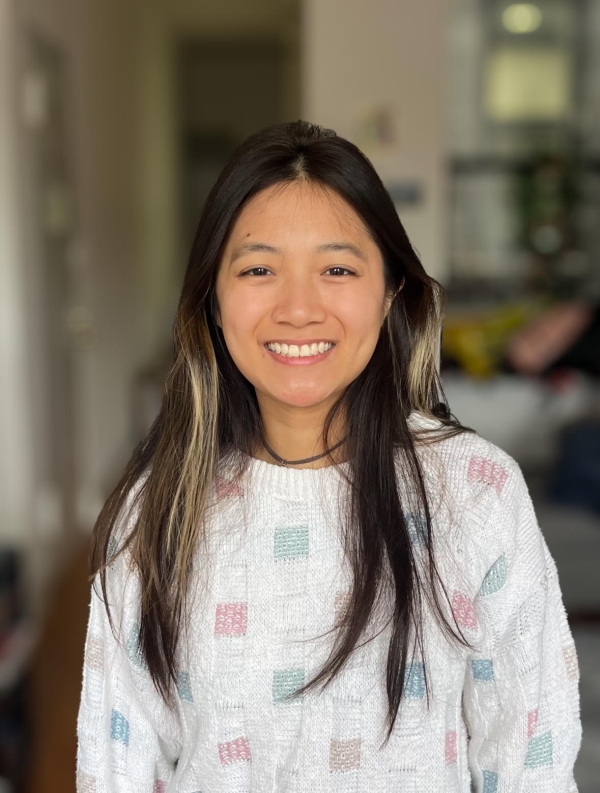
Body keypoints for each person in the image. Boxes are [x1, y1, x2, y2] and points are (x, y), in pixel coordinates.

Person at [76, 121, 581, 792]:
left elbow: (530, 761)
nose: (298, 308)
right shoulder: (157, 509)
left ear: (391, 291)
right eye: (259, 269)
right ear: (214, 301)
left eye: (337, 268)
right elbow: (116, 764)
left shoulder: (476, 493)